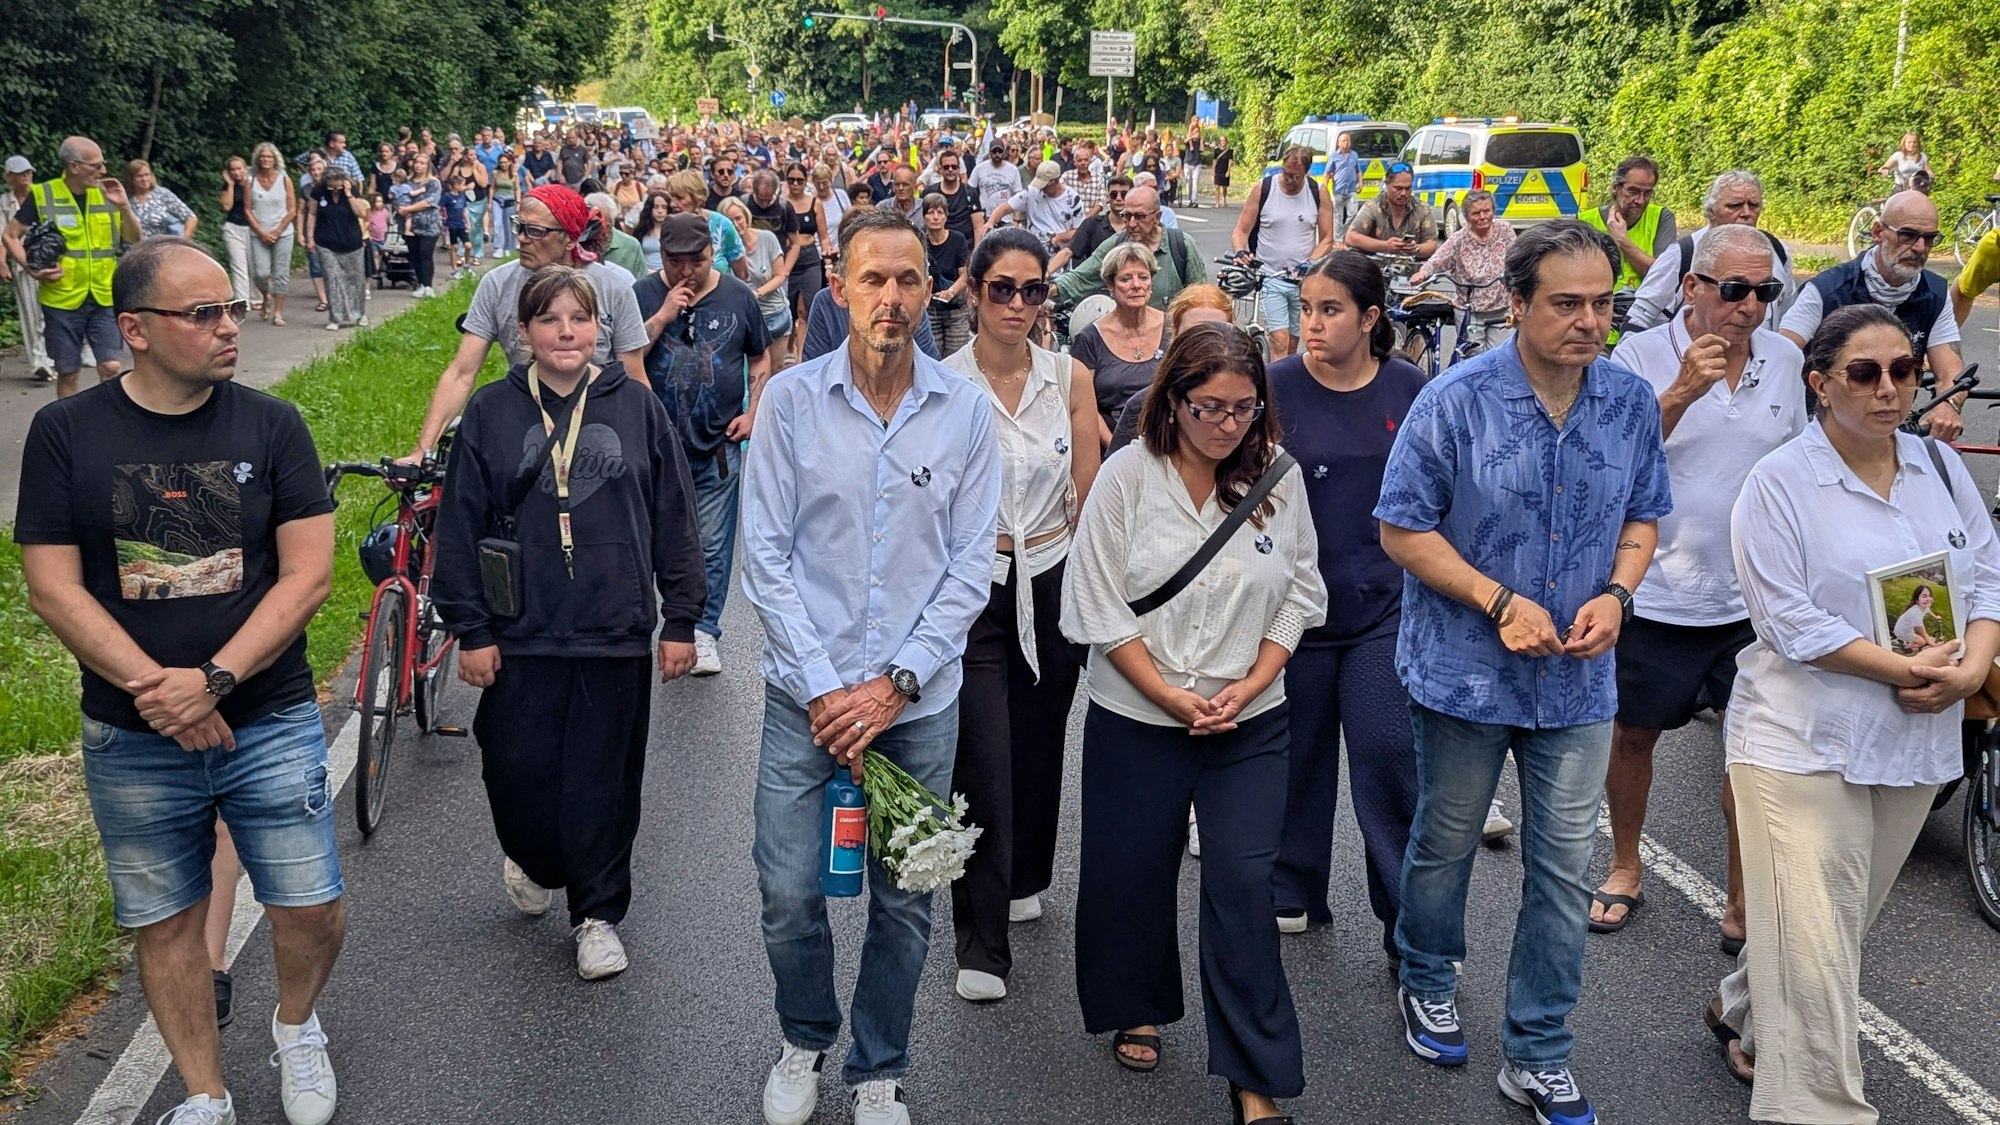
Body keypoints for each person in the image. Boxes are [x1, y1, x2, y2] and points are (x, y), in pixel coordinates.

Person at [15, 237, 344, 1125]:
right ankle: (205, 1091)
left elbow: (307, 576)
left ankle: (295, 1023)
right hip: (133, 732)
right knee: (164, 920)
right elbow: (52, 586)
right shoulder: (65, 433)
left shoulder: (273, 425)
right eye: (204, 313)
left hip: (267, 714)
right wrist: (162, 692)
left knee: (311, 906)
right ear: (136, 330)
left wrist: (215, 678)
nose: (229, 326)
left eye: (231, 308)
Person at [1373, 220, 1671, 1125]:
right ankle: (1427, 975)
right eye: (1567, 303)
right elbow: (1401, 527)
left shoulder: (1630, 402)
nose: (1590, 322)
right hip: (1464, 674)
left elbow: (1644, 515)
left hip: (1578, 682)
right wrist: (1498, 601)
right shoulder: (1453, 400)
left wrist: (1619, 594)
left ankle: (1539, 1050)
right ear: (1516, 302)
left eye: (1603, 304)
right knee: (1447, 838)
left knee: (1564, 867)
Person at [741, 206, 1000, 1125]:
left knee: (906, 899)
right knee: (787, 890)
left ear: (931, 291)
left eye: (907, 279)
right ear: (840, 290)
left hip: (916, 707)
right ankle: (804, 1035)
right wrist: (827, 689)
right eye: (872, 279)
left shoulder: (965, 410)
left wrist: (894, 685)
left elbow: (972, 564)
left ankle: (879, 1065)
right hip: (803, 701)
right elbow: (764, 556)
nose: (890, 297)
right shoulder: (789, 404)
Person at [1709, 304, 2000, 1117]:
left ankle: (1742, 1005)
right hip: (1799, 738)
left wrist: (1972, 666)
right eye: (1864, 373)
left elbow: (1986, 578)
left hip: (1914, 733)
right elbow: (1788, 621)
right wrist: (1907, 666)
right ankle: (1819, 1105)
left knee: (1830, 929)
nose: (1888, 389)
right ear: (1820, 383)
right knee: (1817, 946)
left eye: (1904, 370)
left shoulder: (1938, 467)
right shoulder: (1778, 482)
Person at [1063, 321, 1326, 1125]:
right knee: (1131, 868)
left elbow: (1300, 591)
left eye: (1244, 407)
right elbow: (1097, 600)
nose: (1227, 424)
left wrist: (1251, 684)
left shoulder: (1278, 476)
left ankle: (1253, 1075)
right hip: (1138, 711)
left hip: (1251, 718)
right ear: (1172, 401)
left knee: (1243, 882)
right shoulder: (1127, 476)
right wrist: (1169, 695)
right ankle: (1135, 1002)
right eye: (1209, 406)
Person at [431, 264, 703, 982]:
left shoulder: (637, 407)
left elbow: (676, 518)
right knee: (515, 769)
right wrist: (471, 629)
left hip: (614, 631)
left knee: (604, 781)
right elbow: (458, 526)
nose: (566, 332)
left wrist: (682, 618)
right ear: (523, 332)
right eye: (549, 319)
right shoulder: (491, 411)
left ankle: (597, 914)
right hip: (521, 632)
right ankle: (532, 856)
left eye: (579, 319)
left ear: (599, 331)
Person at [1592, 223, 1807, 943]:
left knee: (1749, 755)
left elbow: (1797, 465)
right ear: (1692, 288)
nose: (1750, 307)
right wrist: (1682, 391)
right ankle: (1626, 863)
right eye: (1735, 289)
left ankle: (1742, 898)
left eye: (1765, 291)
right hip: (1659, 593)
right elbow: (1611, 456)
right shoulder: (1639, 355)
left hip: (1752, 599)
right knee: (1634, 735)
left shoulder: (1784, 359)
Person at [939, 226, 1101, 1003]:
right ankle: (980, 939)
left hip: (1052, 576)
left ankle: (1024, 872)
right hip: (974, 584)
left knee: (1039, 744)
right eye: (1001, 287)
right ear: (974, 290)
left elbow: (1088, 489)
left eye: (1032, 290)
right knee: (982, 753)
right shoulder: (943, 384)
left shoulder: (1070, 376)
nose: (1017, 303)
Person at [1264, 252, 1425, 950]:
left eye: (1329, 310)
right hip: (1294, 607)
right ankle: (1292, 884)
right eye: (1305, 309)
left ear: (1369, 318)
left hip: (1383, 608)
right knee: (1294, 756)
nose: (1312, 324)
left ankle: (1407, 924)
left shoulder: (1409, 387)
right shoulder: (1274, 386)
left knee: (1388, 753)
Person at [407, 185, 650, 461]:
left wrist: (646, 453)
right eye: (519, 227)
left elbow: (634, 378)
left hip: (599, 432)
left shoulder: (614, 289)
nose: (522, 239)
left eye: (535, 231)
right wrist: (421, 451)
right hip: (525, 428)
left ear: (570, 239)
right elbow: (462, 372)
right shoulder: (498, 284)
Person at [633, 212, 773, 678]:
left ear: (713, 254)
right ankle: (655, 621)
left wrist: (753, 411)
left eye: (698, 260)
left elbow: (760, 357)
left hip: (716, 447)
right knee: (653, 540)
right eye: (677, 262)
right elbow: (626, 357)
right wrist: (663, 315)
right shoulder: (642, 294)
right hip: (654, 448)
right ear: (662, 257)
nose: (687, 271)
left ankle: (703, 630)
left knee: (712, 544)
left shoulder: (738, 295)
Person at [1780, 189, 1965, 441]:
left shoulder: (1936, 293)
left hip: (1887, 429)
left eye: (1929, 238)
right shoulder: (1825, 290)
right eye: (1907, 235)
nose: (1919, 247)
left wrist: (1948, 405)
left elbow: (1950, 372)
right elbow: (1780, 355)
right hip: (1821, 430)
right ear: (1878, 232)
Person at [1, 135, 142, 396]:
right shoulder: (43, 194)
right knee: (68, 371)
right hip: (61, 298)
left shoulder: (108, 193)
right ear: (74, 166)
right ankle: (70, 420)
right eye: (96, 165)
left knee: (111, 366)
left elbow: (134, 237)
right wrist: (32, 269)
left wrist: (124, 207)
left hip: (104, 294)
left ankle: (110, 417)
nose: (103, 171)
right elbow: (10, 235)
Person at [1628, 169, 1796, 333]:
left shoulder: (1777, 251)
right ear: (1711, 212)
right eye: (1735, 206)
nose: (1746, 213)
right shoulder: (1683, 254)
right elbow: (1637, 318)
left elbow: (1788, 317)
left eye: (1754, 205)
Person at [1231, 146, 1336, 359]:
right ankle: (1275, 381)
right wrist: (1241, 252)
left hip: (1302, 281)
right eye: (1286, 173)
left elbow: (1327, 239)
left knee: (1292, 346)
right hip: (1270, 276)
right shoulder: (1264, 189)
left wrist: (1310, 262)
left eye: (1296, 176)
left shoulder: (1317, 192)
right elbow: (1240, 231)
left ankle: (1282, 376)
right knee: (1280, 341)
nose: (1289, 180)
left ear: (1306, 172)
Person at [1070, 243, 1168, 448]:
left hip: (1167, 442)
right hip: (1110, 446)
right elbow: (1081, 404)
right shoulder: (1090, 338)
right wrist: (1116, 448)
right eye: (1126, 279)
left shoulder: (1173, 328)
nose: (1136, 285)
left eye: (1143, 277)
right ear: (1110, 286)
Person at [1056, 186, 1206, 310]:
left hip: (1170, 334)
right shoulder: (1117, 244)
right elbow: (1080, 277)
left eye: (1140, 216)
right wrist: (1049, 289)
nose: (1132, 223)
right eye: (1127, 216)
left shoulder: (1181, 245)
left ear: (1157, 217)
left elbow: (1200, 298)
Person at [1407, 189, 1516, 354]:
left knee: (1502, 357)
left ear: (1493, 210)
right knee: (1473, 358)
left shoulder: (1504, 230)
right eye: (1476, 213)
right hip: (1470, 311)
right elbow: (1436, 261)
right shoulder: (1458, 240)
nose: (1482, 217)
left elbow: (1518, 258)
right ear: (1466, 216)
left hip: (1501, 309)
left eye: (1486, 211)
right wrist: (1423, 273)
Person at [1580, 155, 1677, 295]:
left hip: (1646, 303)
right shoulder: (1585, 221)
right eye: (1633, 191)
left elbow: (1665, 274)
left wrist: (1622, 240)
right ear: (1615, 188)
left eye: (1647, 193)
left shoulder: (1661, 217)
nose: (1640, 200)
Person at [1, 155, 57, 381]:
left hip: (52, 261)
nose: (25, 176)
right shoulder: (4, 203)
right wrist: (2, 263)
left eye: (28, 172)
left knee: (53, 312)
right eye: (19, 173)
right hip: (23, 263)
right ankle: (39, 362)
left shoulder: (44, 195)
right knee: (31, 314)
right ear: (9, 177)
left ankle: (58, 356)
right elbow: (4, 235)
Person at [303, 167, 370, 331]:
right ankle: (335, 317)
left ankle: (359, 313)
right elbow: (312, 214)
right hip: (326, 243)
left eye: (337, 184)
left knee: (355, 280)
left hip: (352, 242)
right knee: (332, 279)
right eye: (331, 184)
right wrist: (310, 238)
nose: (334, 188)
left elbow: (362, 213)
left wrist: (349, 194)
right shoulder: (319, 190)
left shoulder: (351, 189)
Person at [723, 195, 795, 340]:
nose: (735, 225)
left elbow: (779, 276)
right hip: (743, 318)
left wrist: (756, 294)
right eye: (730, 221)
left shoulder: (767, 238)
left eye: (738, 218)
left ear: (746, 216)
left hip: (774, 314)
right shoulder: (723, 249)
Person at [987, 162, 1083, 265]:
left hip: (1059, 256)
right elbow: (1006, 208)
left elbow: (1078, 231)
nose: (1041, 188)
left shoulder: (1073, 199)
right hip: (1034, 252)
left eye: (1044, 185)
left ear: (1055, 181)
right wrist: (990, 222)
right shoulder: (1032, 191)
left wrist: (1059, 237)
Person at [782, 163, 830, 365]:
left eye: (799, 180)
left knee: (805, 309)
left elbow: (824, 236)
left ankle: (802, 356)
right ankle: (787, 349)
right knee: (788, 309)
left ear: (805, 181)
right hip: (787, 258)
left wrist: (828, 264)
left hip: (810, 257)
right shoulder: (782, 203)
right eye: (791, 180)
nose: (795, 184)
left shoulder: (814, 203)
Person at [665, 168, 750, 281]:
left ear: (697, 197)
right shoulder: (668, 226)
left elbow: (742, 274)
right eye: (671, 198)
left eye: (680, 198)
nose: (672, 204)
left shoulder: (722, 225)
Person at [1343, 164, 1437, 260]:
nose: (1403, 193)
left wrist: (1416, 249)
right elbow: (1350, 238)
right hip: (1376, 265)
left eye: (1408, 188)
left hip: (1411, 265)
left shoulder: (1422, 209)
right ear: (1386, 185)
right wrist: (1385, 246)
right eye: (1398, 188)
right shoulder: (1373, 207)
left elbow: (1432, 244)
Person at [921, 192, 971, 357]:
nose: (935, 217)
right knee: (932, 355)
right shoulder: (920, 242)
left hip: (955, 308)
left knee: (956, 355)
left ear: (946, 216)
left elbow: (964, 275)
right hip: (930, 308)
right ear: (924, 217)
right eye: (931, 212)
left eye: (940, 212)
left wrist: (951, 292)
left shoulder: (958, 239)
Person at [397, 153, 443, 299]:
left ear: (427, 166)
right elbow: (398, 196)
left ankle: (428, 285)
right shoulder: (407, 182)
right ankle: (421, 284)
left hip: (429, 224)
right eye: (417, 162)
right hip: (410, 225)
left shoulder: (433, 182)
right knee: (415, 255)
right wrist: (399, 207)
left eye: (423, 163)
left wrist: (409, 209)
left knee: (425, 253)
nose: (419, 165)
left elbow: (429, 201)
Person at [126, 160, 198, 240]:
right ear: (131, 178)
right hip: (134, 247)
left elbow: (191, 218)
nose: (144, 179)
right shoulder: (125, 198)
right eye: (140, 176)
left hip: (161, 246)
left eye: (147, 175)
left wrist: (182, 241)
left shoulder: (162, 194)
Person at [1069, 176, 1132, 264]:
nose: (1118, 198)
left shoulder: (1137, 226)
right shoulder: (1091, 224)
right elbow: (1069, 251)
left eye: (1124, 194)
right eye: (1113, 194)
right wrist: (1050, 270)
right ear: (1107, 197)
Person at [586, 191, 647, 280]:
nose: (602, 232)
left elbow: (641, 281)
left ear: (613, 222)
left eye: (607, 226)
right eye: (596, 227)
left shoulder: (631, 246)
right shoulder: (577, 245)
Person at [970, 139, 1024, 219]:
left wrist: (1017, 219)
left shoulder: (1013, 169)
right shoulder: (979, 168)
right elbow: (971, 190)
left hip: (1006, 218)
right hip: (985, 217)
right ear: (989, 153)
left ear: (1004, 152)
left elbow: (1017, 195)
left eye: (1000, 151)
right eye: (994, 151)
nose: (997, 154)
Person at [1326, 132, 1361, 240]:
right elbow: (1327, 173)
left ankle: (1345, 234)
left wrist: (1361, 183)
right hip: (1339, 190)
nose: (1346, 143)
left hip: (1351, 190)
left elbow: (1358, 171)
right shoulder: (1334, 156)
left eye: (1348, 141)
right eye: (1344, 141)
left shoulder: (1354, 155)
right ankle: (1338, 240)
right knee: (1338, 216)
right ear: (1338, 143)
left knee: (1353, 213)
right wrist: (1324, 189)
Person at [1892, 585, 1940, 652]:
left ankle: (1907, 643)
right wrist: (1935, 645)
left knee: (1922, 637)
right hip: (1902, 632)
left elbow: (1928, 611)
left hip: (1904, 628)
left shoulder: (1922, 606)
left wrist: (1936, 617)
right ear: (1917, 601)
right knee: (1922, 642)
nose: (1928, 599)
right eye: (1924, 596)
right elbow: (1924, 634)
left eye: (1930, 595)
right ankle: (1905, 646)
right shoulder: (1915, 614)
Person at [492, 151, 521, 258]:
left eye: (505, 162)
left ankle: (509, 247)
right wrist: (490, 202)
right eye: (501, 162)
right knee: (498, 223)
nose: (503, 164)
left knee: (510, 225)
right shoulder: (495, 173)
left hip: (510, 200)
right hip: (497, 199)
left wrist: (518, 203)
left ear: (509, 162)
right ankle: (498, 247)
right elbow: (492, 188)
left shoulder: (514, 175)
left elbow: (517, 189)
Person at [1210, 134, 1233, 209]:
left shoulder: (1229, 151)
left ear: (1226, 141)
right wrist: (1213, 170)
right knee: (1217, 186)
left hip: (1225, 170)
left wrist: (1228, 171)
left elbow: (1230, 161)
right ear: (1219, 142)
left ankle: (1224, 200)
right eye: (1221, 140)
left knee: (1225, 187)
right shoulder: (1216, 150)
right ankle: (1217, 202)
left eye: (1224, 140)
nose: (1223, 142)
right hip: (1218, 170)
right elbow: (1214, 161)